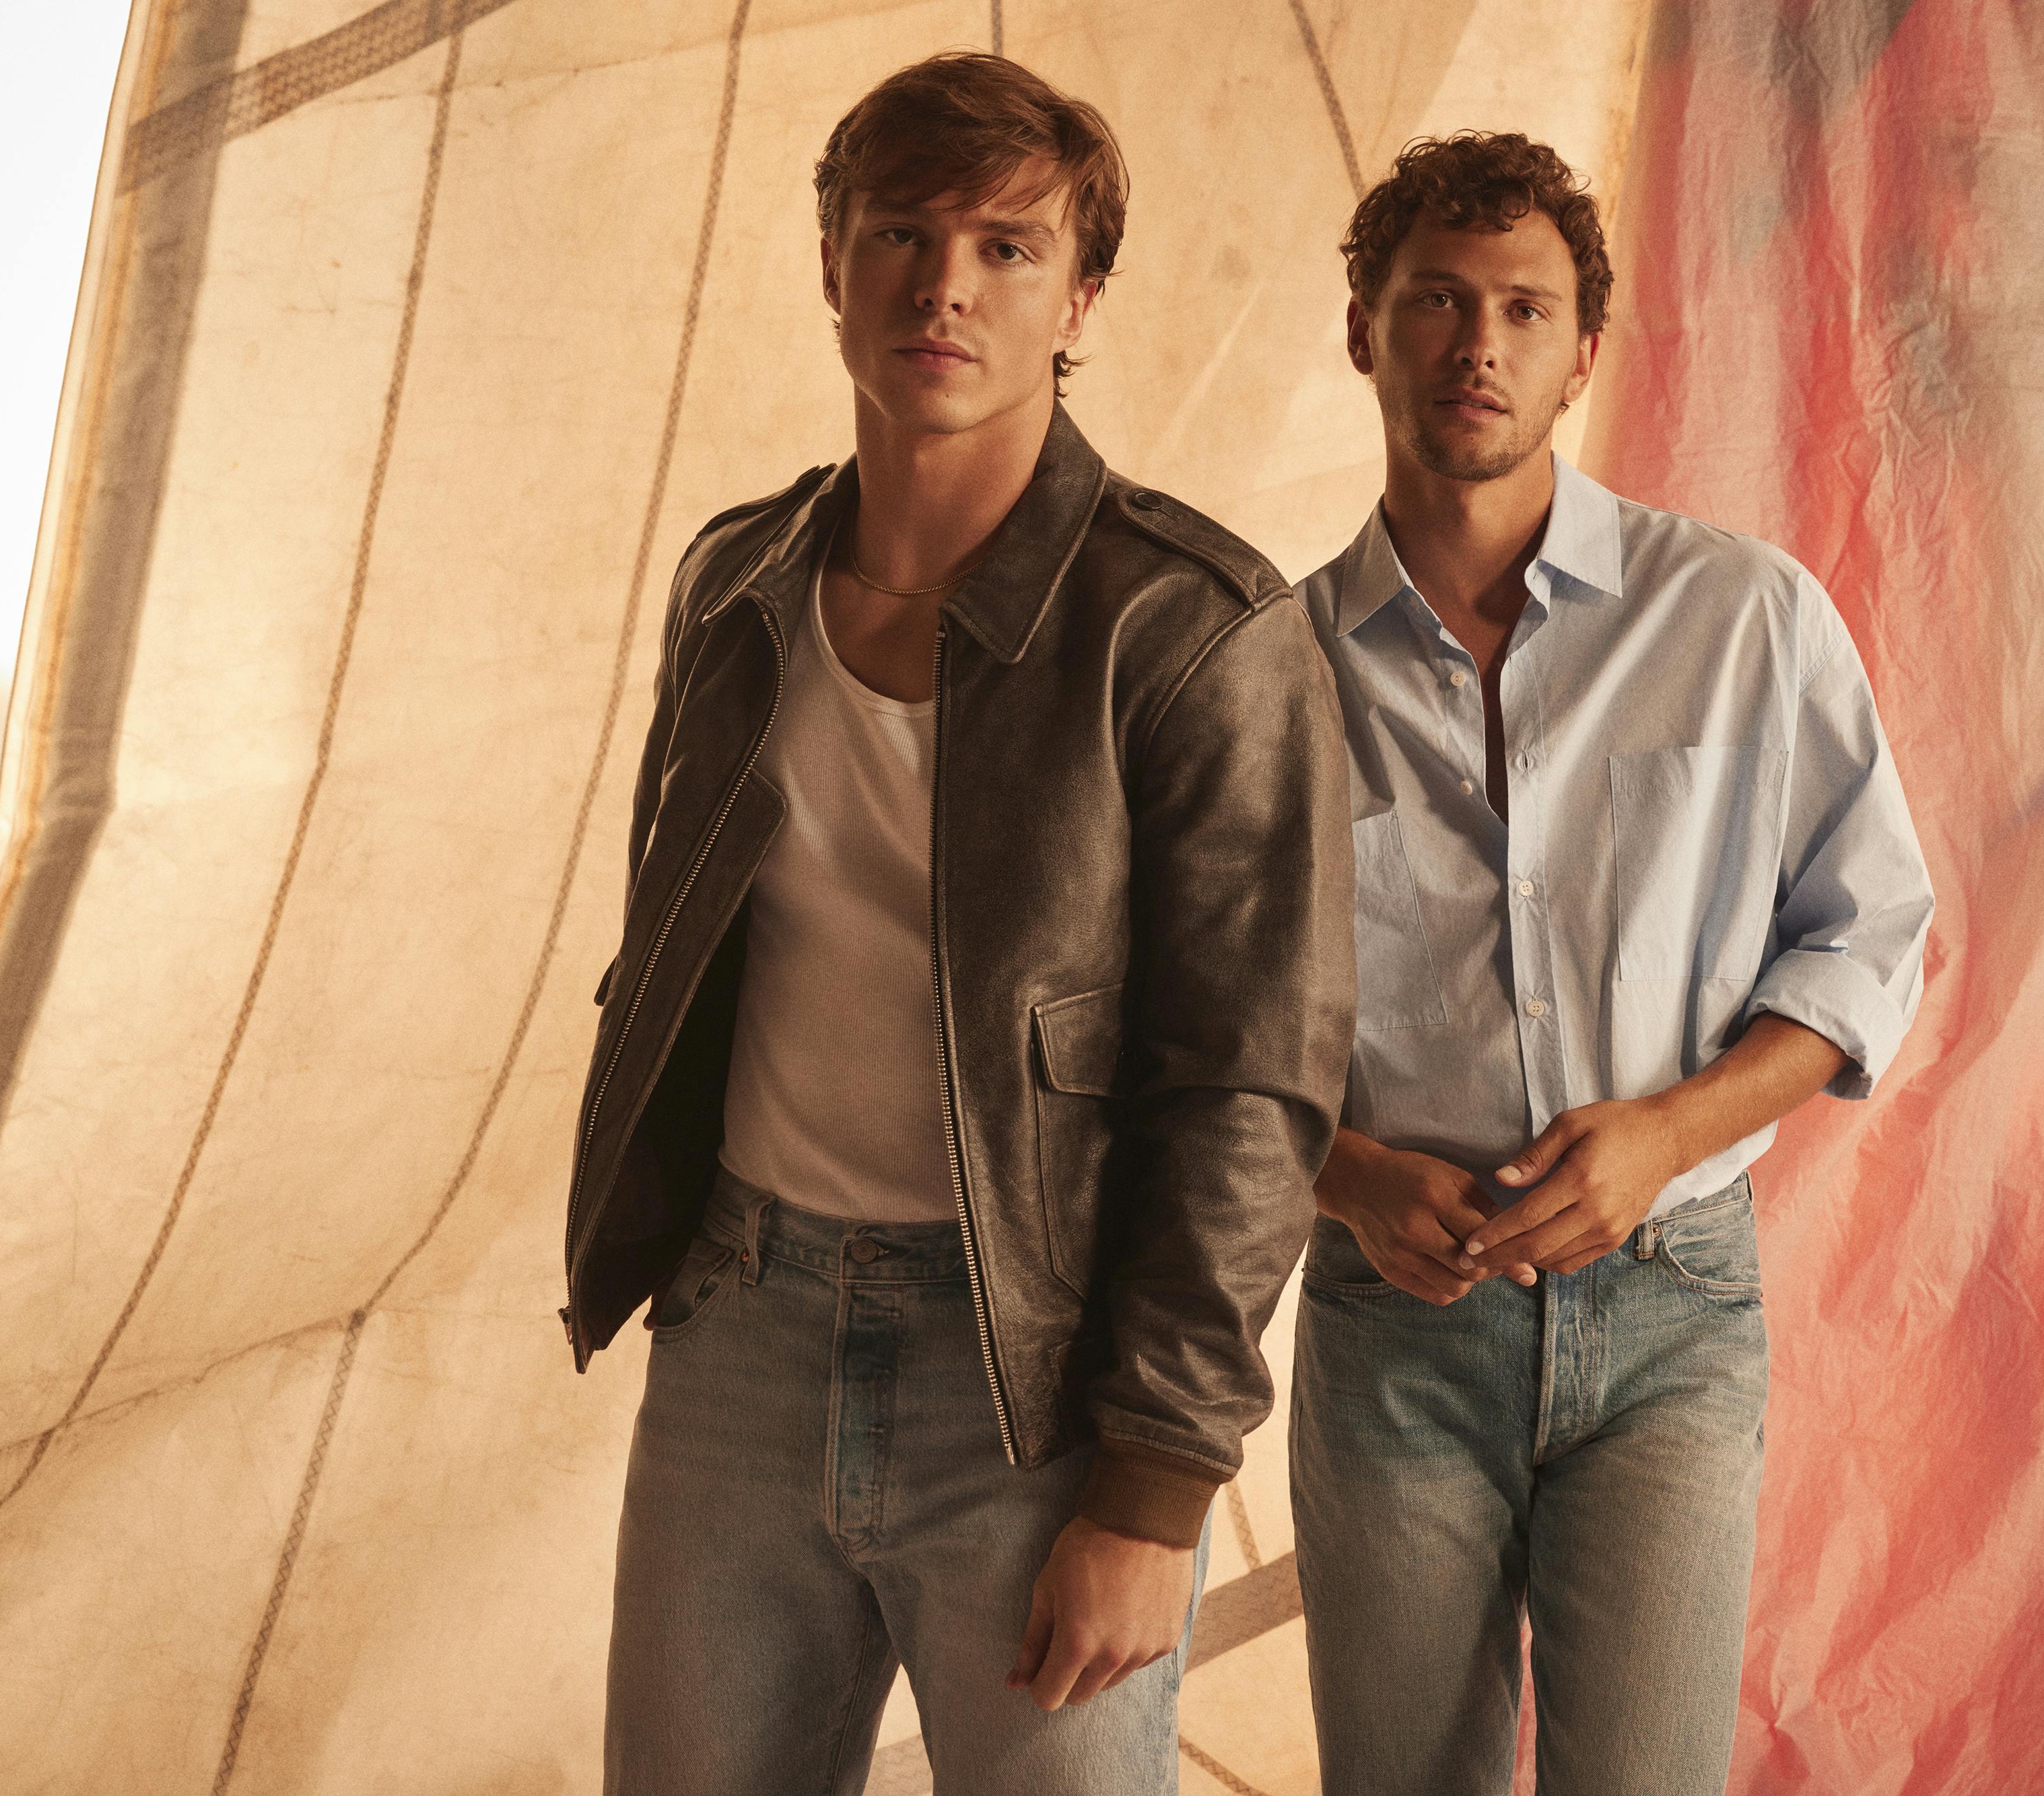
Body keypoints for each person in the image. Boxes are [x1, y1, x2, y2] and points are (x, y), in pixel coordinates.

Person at [560, 52, 1353, 1796]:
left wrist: (1155, 1488)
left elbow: (1252, 1092)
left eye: (1006, 246)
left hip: (1034, 1388)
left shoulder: (1195, 626)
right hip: (741, 1345)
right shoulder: (737, 580)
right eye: (901, 232)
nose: (944, 285)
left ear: (1081, 296)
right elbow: (670, 960)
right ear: (832, 262)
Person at [1288, 131, 1934, 1795]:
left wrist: (1667, 1130)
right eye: (1433, 299)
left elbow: (1867, 931)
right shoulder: (1265, 670)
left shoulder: (1741, 615)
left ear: (1586, 347)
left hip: (1670, 1310)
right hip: (1391, 1317)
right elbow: (1189, 1021)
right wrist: (1348, 1171)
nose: (1475, 345)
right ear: (1361, 326)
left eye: (1522, 306)